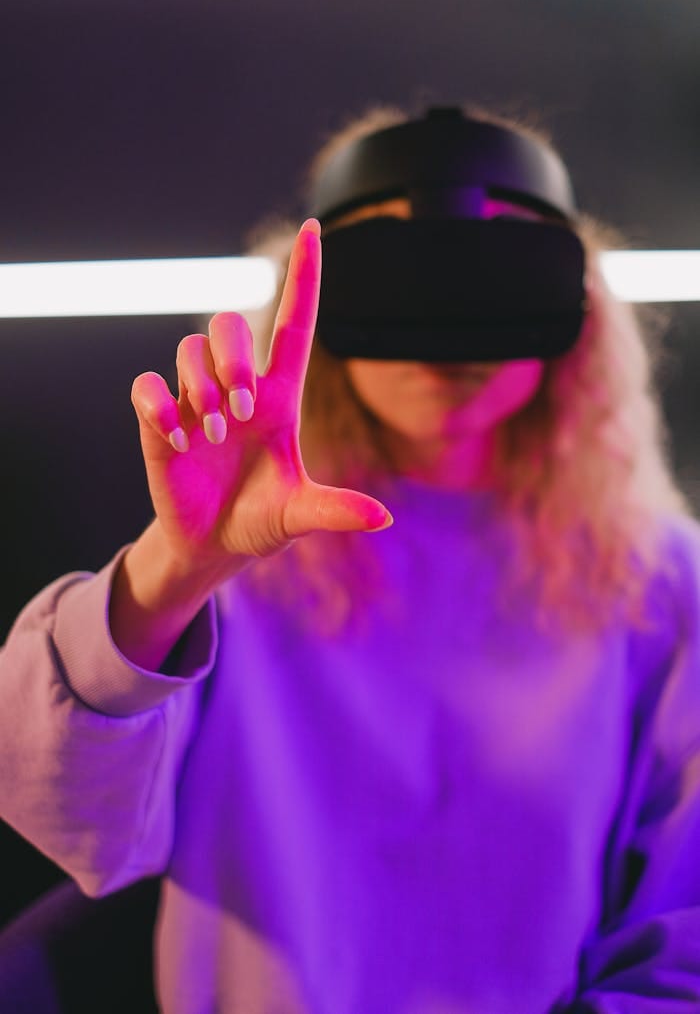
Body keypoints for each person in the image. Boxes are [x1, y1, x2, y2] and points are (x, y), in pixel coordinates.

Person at [1, 103, 700, 1014]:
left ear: (575, 305)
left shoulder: (662, 580)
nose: (450, 332)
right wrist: (176, 569)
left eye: (494, 277)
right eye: (402, 278)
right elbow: (63, 812)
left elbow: (685, 929)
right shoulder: (243, 555)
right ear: (316, 299)